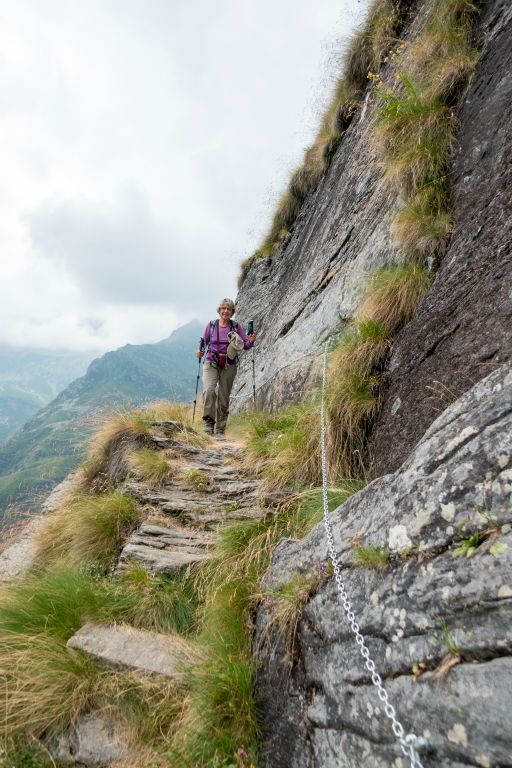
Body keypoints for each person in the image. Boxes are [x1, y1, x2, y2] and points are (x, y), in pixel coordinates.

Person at [197, 298, 256, 437]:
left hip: (229, 365)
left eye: (228, 309)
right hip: (211, 362)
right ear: (219, 310)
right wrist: (199, 352)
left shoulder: (236, 327)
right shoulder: (211, 325)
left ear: (232, 312)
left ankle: (220, 429)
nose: (225, 311)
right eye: (223, 308)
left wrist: (251, 341)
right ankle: (209, 423)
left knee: (224, 396)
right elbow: (203, 342)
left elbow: (245, 345)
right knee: (209, 391)